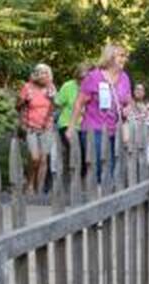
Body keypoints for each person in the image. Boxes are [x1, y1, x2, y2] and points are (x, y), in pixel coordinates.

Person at [66, 43, 132, 186]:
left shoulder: (125, 77)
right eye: (121, 55)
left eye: (125, 56)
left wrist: (128, 108)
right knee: (96, 169)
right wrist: (71, 127)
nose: (124, 59)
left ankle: (105, 200)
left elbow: (128, 101)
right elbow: (79, 103)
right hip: (93, 129)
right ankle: (95, 200)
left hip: (114, 131)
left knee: (112, 169)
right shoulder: (93, 77)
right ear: (110, 57)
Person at [17, 63, 56, 195]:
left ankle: (39, 190)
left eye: (45, 72)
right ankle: (29, 183)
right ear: (35, 74)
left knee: (44, 159)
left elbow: (55, 106)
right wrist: (23, 100)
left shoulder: (51, 88)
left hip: (47, 127)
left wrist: (53, 98)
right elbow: (17, 106)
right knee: (34, 158)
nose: (42, 75)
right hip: (30, 127)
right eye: (39, 72)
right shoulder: (27, 87)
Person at [54, 62, 91, 185]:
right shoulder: (68, 86)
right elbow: (58, 102)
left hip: (86, 125)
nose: (83, 80)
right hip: (67, 123)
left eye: (86, 78)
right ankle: (74, 178)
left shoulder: (93, 87)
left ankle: (81, 178)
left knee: (87, 152)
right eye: (80, 78)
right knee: (76, 149)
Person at [127, 83, 149, 164]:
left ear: (144, 93)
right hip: (132, 142)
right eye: (136, 89)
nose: (138, 91)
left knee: (145, 166)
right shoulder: (129, 105)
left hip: (147, 142)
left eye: (140, 89)